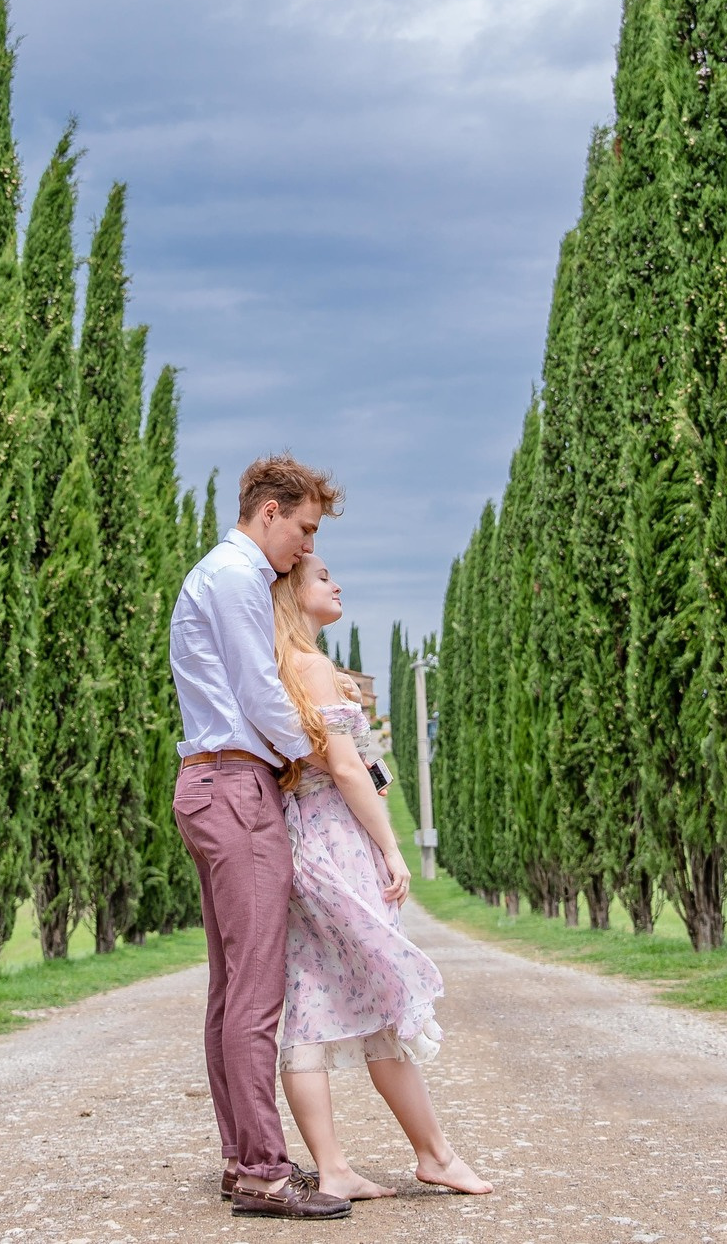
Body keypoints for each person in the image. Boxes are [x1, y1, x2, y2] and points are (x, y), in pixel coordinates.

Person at [271, 555, 491, 1201]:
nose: (336, 585)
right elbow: (345, 769)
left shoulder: (280, 667)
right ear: (292, 592)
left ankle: (337, 1165)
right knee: (385, 991)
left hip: (302, 837)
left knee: (312, 999)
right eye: (322, 577)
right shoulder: (312, 667)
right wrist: (391, 847)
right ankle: (435, 1153)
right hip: (337, 839)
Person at [167, 455, 352, 1220]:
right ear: (269, 511)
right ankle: (267, 1173)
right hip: (236, 788)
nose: (306, 550)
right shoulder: (239, 576)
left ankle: (244, 1160)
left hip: (211, 784)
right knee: (254, 991)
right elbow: (259, 691)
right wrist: (324, 754)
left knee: (228, 989)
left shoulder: (212, 574)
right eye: (303, 529)